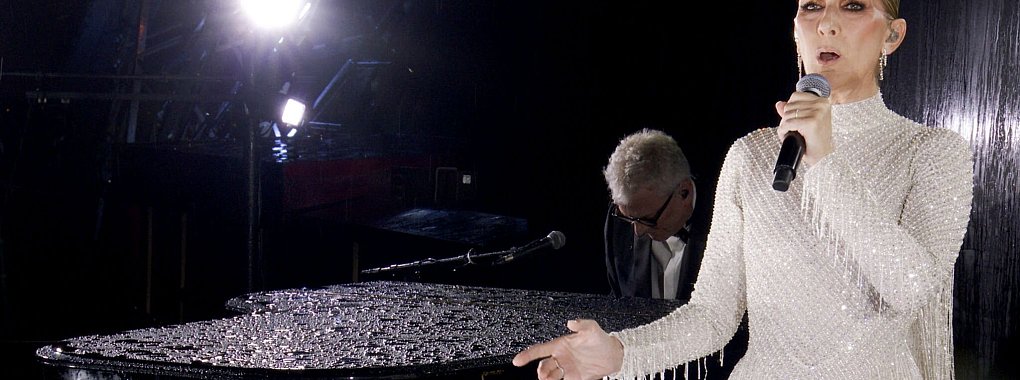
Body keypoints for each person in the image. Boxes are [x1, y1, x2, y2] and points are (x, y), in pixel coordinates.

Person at [512, 1, 974, 379]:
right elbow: (713, 315)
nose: (826, 25)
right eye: (812, 6)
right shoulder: (751, 154)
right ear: (795, 28)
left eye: (853, 6)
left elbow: (914, 290)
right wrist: (620, 353)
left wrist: (826, 163)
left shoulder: (932, 151)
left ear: (892, 35)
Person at [601, 129, 748, 379]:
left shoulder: (731, 219)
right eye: (629, 218)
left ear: (685, 192)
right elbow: (620, 308)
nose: (637, 231)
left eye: (647, 219)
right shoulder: (622, 222)